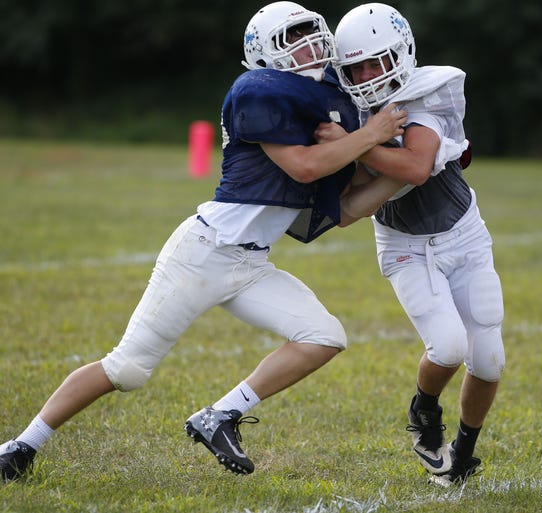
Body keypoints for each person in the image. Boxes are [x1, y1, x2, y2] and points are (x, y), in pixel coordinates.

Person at [0, 1, 409, 482]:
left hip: (250, 264)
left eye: (312, 34)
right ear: (263, 54)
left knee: (324, 336)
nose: (309, 47)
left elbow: (344, 211)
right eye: (292, 39)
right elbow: (306, 166)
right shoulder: (259, 92)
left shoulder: (329, 102)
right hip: (203, 251)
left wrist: (408, 175)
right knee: (128, 369)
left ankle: (220, 416)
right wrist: (373, 135)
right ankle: (21, 446)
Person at [323, 3, 506, 486]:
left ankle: (462, 455)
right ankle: (424, 410)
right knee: (446, 346)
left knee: (488, 357)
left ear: (400, 55)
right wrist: (353, 143)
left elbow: (417, 167)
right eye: (354, 66)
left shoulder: (424, 94)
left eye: (373, 62)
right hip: (404, 242)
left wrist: (358, 142)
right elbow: (341, 199)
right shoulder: (347, 109)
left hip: (462, 232)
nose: (364, 76)